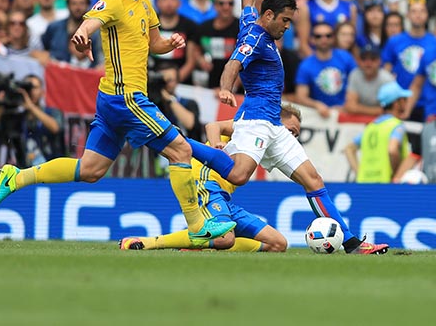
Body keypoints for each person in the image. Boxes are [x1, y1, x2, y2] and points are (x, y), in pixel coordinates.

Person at [0, 0, 237, 244]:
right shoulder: (115, 0)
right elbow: (91, 22)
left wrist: (170, 43)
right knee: (181, 151)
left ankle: (16, 177)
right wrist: (82, 34)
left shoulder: (144, 3)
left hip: (112, 99)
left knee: (91, 169)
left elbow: (153, 42)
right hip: (126, 98)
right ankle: (197, 225)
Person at [194, 0, 389, 254]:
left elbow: (247, 4)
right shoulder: (255, 39)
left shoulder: (253, 23)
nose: (288, 26)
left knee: (313, 180)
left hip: (275, 124)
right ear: (270, 16)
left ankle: (350, 243)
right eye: (285, 20)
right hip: (256, 119)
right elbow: (233, 64)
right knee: (238, 176)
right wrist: (226, 88)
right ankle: (182, 146)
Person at [120, 103, 302, 252]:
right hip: (205, 181)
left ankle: (200, 246)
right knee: (224, 238)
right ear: (276, 121)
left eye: (296, 135)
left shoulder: (268, 147)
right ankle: (147, 242)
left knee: (278, 244)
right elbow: (214, 125)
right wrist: (216, 145)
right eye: (291, 131)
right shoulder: (254, 127)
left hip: (223, 197)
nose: (292, 138)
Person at [0, 74, 64, 167]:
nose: (31, 91)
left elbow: (55, 128)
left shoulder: (53, 113)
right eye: (28, 88)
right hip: (26, 174)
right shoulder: (17, 119)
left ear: (43, 92)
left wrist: (30, 106)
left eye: (34, 87)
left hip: (53, 173)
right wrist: (0, 108)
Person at [345, 82, 419, 183]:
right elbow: (392, 150)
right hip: (385, 184)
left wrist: (359, 173)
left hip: (363, 184)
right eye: (404, 99)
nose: (406, 102)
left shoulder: (370, 127)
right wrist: (397, 174)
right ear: (396, 103)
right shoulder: (396, 125)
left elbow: (349, 149)